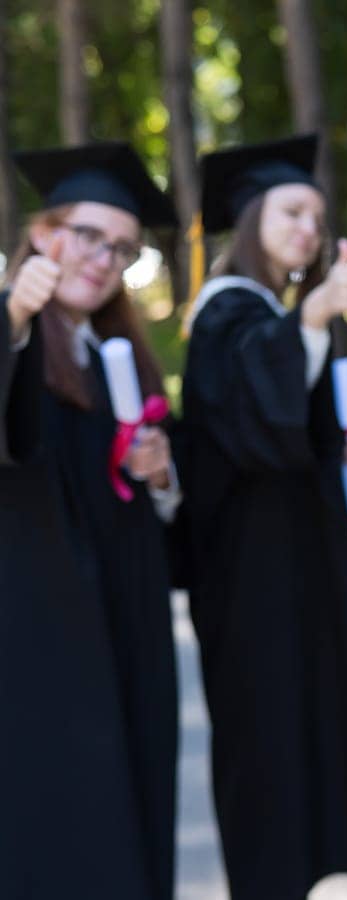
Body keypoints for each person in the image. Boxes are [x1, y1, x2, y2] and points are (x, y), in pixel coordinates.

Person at [181, 134, 347, 900]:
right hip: (250, 585)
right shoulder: (224, 312)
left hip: (289, 574)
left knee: (300, 746)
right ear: (249, 221)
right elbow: (252, 414)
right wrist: (310, 317)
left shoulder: (263, 311)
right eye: (291, 211)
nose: (308, 228)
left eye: (315, 215)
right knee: (268, 754)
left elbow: (278, 423)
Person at [0, 142, 180, 899]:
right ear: (44, 233)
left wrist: (161, 474)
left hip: (123, 620)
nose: (103, 259)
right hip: (38, 633)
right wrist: (12, 314)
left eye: (122, 248)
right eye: (87, 235)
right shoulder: (15, 326)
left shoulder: (118, 350)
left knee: (130, 801)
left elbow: (157, 501)